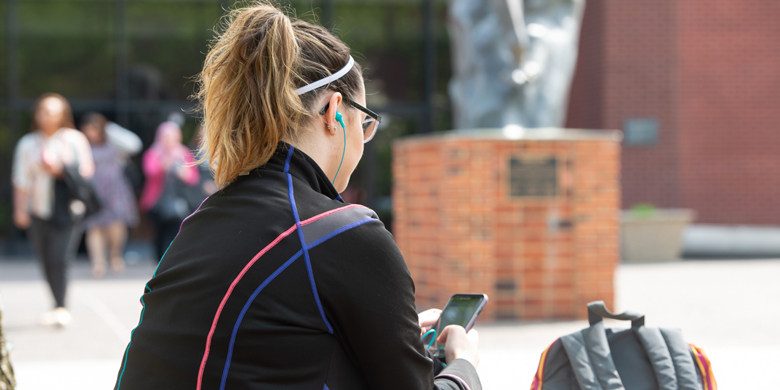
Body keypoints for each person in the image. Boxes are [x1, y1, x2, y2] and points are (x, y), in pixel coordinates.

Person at [114, 2, 481, 390]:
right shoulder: (345, 233)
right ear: (334, 111)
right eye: (366, 123)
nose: (364, 139)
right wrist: (463, 366)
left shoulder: (200, 224)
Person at [12, 93, 95, 326]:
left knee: (60, 257)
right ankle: (56, 303)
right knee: (46, 258)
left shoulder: (74, 140)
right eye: (42, 111)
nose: (46, 116)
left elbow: (86, 173)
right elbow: (20, 180)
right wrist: (20, 210)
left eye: (52, 111)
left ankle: (61, 306)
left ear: (62, 114)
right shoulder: (28, 143)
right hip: (38, 209)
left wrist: (60, 169)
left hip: (68, 210)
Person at [80, 113, 141, 277]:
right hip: (93, 192)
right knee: (94, 227)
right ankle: (98, 263)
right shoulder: (81, 146)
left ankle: (115, 254)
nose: (91, 133)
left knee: (116, 226)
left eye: (95, 128)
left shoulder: (114, 143)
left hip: (115, 191)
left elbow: (135, 144)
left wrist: (109, 127)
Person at [139, 121, 200, 261]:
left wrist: (181, 171)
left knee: (176, 233)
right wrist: (163, 166)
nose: (168, 141)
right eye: (165, 137)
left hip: (178, 202)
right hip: (156, 202)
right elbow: (149, 172)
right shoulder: (153, 153)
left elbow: (193, 178)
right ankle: (159, 262)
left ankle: (172, 261)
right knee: (158, 234)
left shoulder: (184, 153)